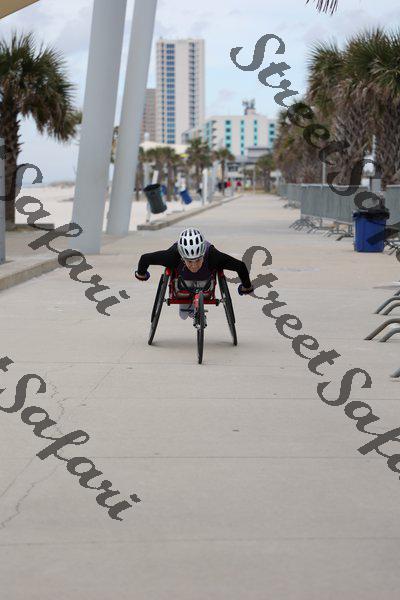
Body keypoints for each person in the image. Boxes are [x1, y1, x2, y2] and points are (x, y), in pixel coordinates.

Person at [135, 228, 254, 320]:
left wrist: (247, 286)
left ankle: (190, 306)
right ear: (182, 257)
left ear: (203, 255)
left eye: (198, 260)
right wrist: (141, 274)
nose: (194, 265)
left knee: (184, 313)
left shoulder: (213, 255)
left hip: (206, 286)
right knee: (183, 314)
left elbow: (240, 266)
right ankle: (187, 306)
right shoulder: (172, 255)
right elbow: (145, 259)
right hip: (181, 285)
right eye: (189, 261)